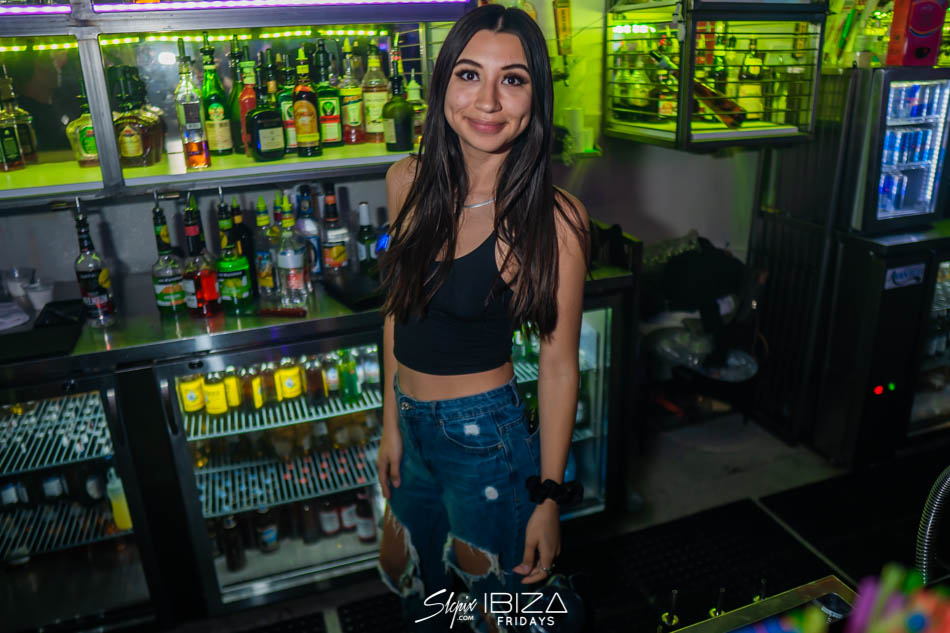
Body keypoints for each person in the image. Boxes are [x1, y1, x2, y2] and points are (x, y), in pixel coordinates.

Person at [375, 5, 589, 632]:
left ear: (535, 97)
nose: (488, 100)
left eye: (512, 79)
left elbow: (557, 367)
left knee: (502, 609)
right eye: (469, 74)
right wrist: (390, 425)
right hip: (411, 428)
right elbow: (397, 310)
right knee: (423, 589)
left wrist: (547, 498)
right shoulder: (406, 180)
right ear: (442, 84)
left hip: (486, 443)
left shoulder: (554, 219)